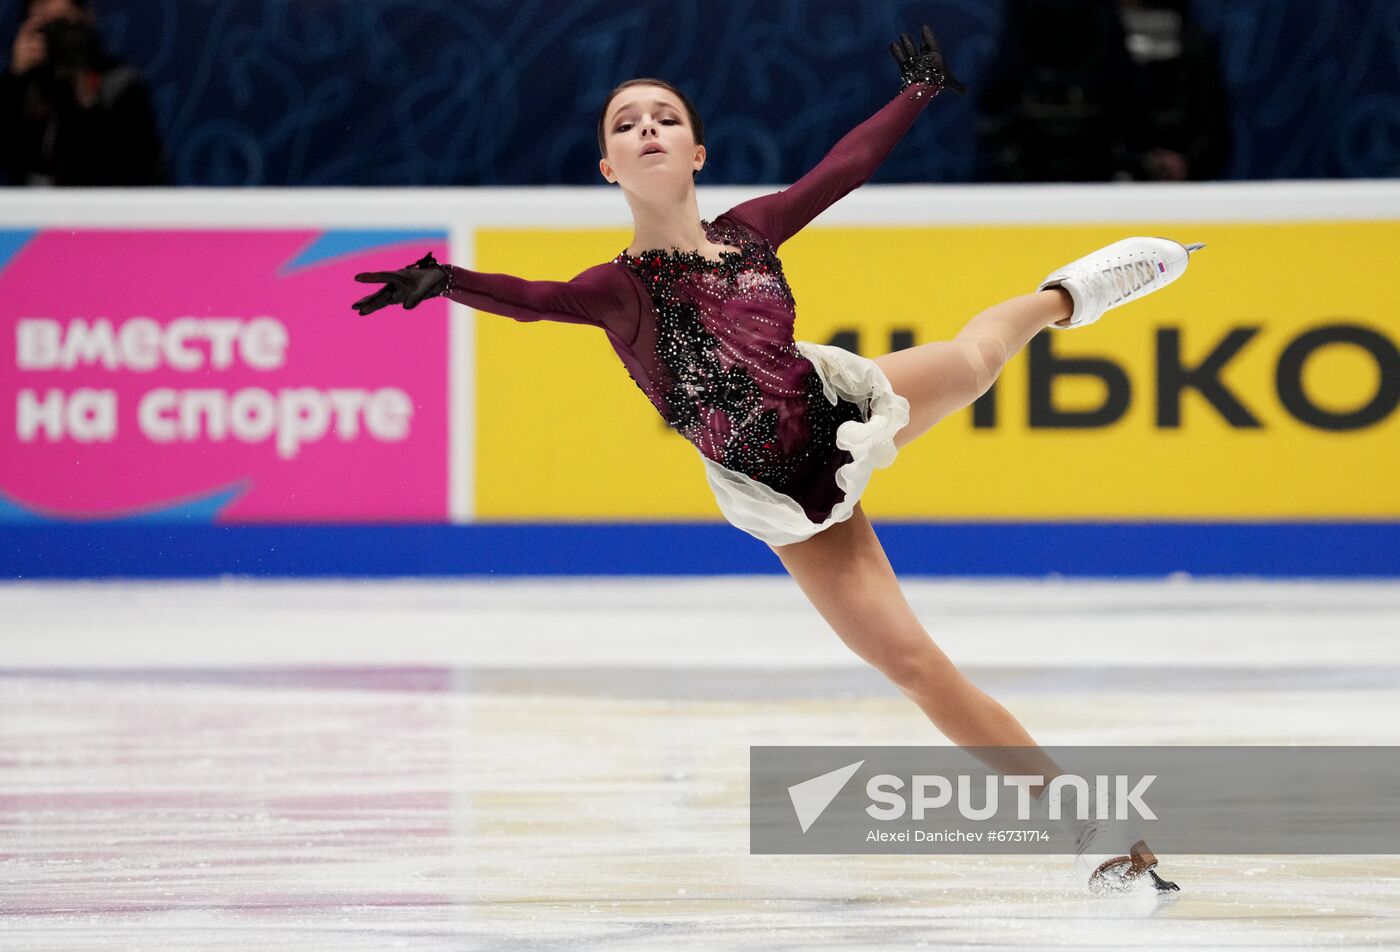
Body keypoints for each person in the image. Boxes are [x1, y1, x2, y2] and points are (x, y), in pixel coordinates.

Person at [352, 24, 1201, 894]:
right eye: (626, 124)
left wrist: (915, 94)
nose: (647, 129)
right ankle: (1095, 830)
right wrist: (447, 281)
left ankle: (1071, 293)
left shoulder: (752, 231)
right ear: (609, 167)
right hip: (786, 497)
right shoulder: (618, 289)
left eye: (665, 117)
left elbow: (839, 171)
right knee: (917, 669)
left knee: (978, 360)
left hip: (835, 411)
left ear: (697, 152)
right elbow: (535, 300)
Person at [0, 0, 168, 186]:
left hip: (101, 201)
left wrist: (86, 101)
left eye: (63, 25)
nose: (57, 40)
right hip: (31, 202)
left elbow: (132, 171)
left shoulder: (119, 85)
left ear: (86, 18)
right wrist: (15, 79)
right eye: (45, 28)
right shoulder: (22, 88)